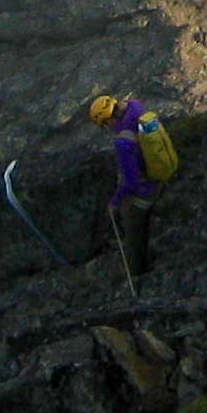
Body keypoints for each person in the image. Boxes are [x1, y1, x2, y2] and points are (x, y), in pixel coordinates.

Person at [88, 92, 164, 278]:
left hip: (146, 191)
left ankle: (136, 272)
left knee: (132, 228)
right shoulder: (136, 107)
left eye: (105, 124)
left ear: (108, 120)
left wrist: (115, 202)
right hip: (160, 173)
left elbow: (131, 181)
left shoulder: (124, 143)